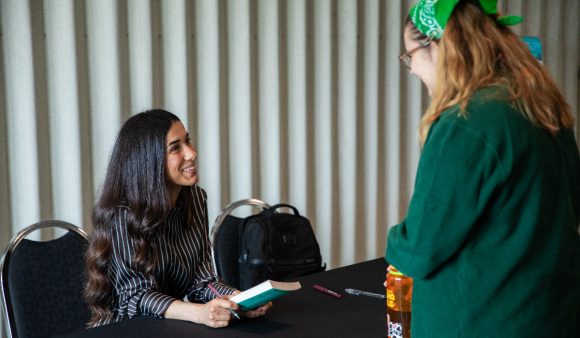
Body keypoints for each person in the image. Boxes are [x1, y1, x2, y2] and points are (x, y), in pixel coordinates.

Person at [385, 0, 580, 337]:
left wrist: (394, 241)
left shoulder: (465, 121)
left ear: (439, 47)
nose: (413, 70)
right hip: (549, 314)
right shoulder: (543, 104)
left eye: (409, 57)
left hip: (483, 320)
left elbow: (421, 248)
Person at [84, 109, 271, 328]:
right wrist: (199, 313)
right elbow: (136, 297)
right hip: (125, 329)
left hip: (168, 326)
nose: (191, 153)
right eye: (175, 148)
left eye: (187, 141)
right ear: (148, 161)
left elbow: (202, 281)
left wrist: (239, 299)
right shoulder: (122, 214)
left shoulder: (196, 199)